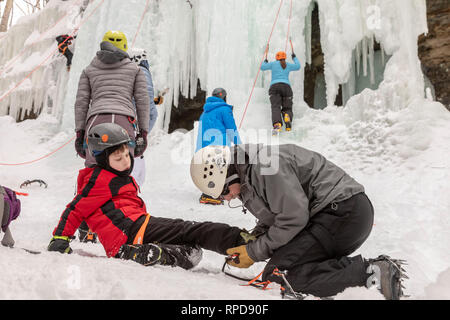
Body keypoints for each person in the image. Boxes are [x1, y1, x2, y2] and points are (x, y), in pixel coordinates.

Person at [190, 144, 407, 299]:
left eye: (222, 193)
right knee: (285, 264)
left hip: (342, 213)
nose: (225, 199)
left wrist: (254, 252)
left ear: (229, 175)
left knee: (279, 275)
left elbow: (293, 217)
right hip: (339, 215)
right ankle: (353, 275)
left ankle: (371, 273)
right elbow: (277, 215)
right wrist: (254, 240)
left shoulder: (265, 166)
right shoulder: (252, 173)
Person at [48, 123, 254, 270]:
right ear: (102, 160)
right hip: (132, 229)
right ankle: (240, 239)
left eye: (127, 155)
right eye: (118, 158)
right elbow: (76, 209)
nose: (125, 161)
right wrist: (60, 238)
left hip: (135, 229)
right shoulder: (101, 180)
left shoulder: (112, 178)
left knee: (192, 252)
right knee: (190, 229)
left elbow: (91, 213)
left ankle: (147, 252)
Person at [73, 30, 150, 242]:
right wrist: (143, 132)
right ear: (125, 48)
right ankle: (122, 224)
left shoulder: (89, 69)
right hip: (124, 122)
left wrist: (80, 133)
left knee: (93, 173)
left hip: (96, 122)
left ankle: (85, 226)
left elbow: (81, 103)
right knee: (122, 173)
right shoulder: (135, 70)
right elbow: (143, 102)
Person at [195, 88, 242, 205]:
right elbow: (231, 128)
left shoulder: (204, 112)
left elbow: (201, 131)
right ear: (224, 97)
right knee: (219, 169)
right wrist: (239, 144)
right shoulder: (224, 110)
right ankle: (210, 194)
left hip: (204, 146)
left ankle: (209, 193)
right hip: (219, 145)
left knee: (210, 170)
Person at [128, 48, 158, 188]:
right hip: (135, 128)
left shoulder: (124, 73)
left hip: (123, 124)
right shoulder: (144, 75)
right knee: (135, 172)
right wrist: (144, 132)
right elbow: (151, 112)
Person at [260, 51, 301, 133]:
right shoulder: (288, 65)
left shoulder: (273, 64)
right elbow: (298, 66)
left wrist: (265, 61)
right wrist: (294, 57)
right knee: (287, 107)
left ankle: (277, 124)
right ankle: (287, 117)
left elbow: (262, 67)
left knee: (276, 107)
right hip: (286, 87)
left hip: (274, 87)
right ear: (285, 58)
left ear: (276, 58)